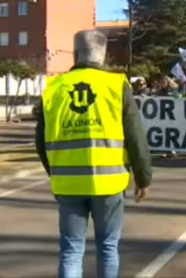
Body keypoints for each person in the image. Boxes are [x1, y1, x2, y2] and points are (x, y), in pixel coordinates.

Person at [35, 30, 152, 278]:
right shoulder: (116, 85)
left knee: (71, 250)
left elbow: (40, 141)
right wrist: (144, 178)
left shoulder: (53, 88)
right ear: (104, 55)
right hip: (109, 183)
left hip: (68, 183)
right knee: (108, 248)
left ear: (76, 54)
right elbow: (135, 136)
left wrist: (55, 171)